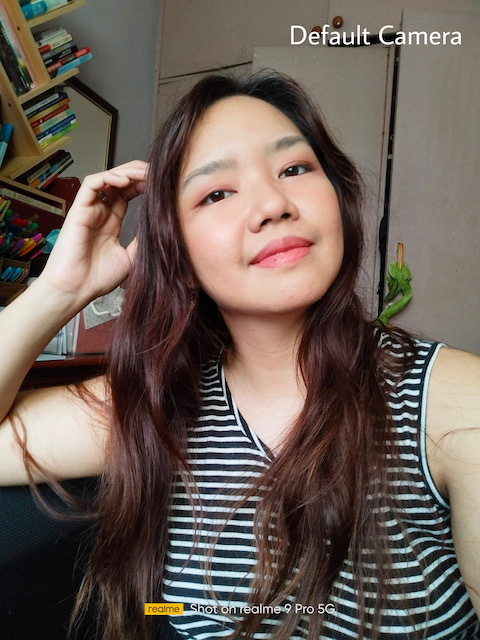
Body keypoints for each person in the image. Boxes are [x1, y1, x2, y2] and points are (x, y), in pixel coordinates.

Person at [0, 71, 479, 640]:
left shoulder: (453, 403)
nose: (273, 205)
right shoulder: (159, 403)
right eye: (217, 193)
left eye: (294, 169)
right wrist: (58, 291)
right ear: (176, 252)